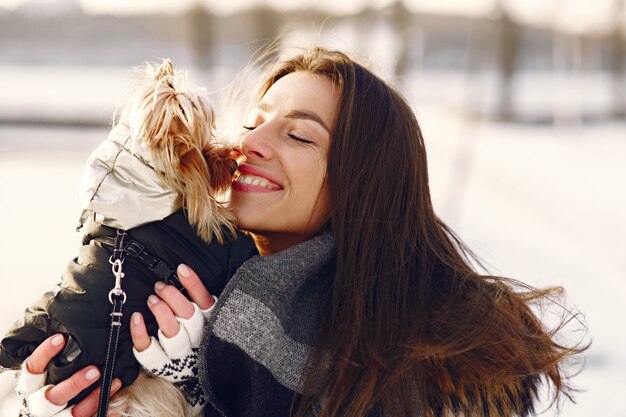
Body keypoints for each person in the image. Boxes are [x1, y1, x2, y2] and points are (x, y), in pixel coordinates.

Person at [16, 46, 586, 417]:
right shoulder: (173, 273)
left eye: (300, 136)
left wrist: (202, 391)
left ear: (364, 183)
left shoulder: (420, 359)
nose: (250, 145)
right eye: (255, 120)